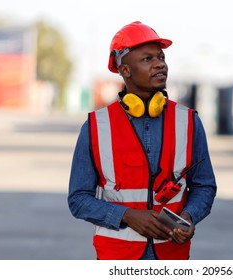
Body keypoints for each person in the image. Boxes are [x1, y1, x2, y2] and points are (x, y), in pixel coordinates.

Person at [68, 21, 217, 260]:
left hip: (171, 255)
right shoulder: (97, 126)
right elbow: (78, 199)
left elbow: (204, 186)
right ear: (125, 70)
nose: (160, 64)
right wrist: (126, 216)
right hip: (117, 257)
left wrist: (189, 217)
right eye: (147, 59)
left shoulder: (189, 122)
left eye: (161, 57)